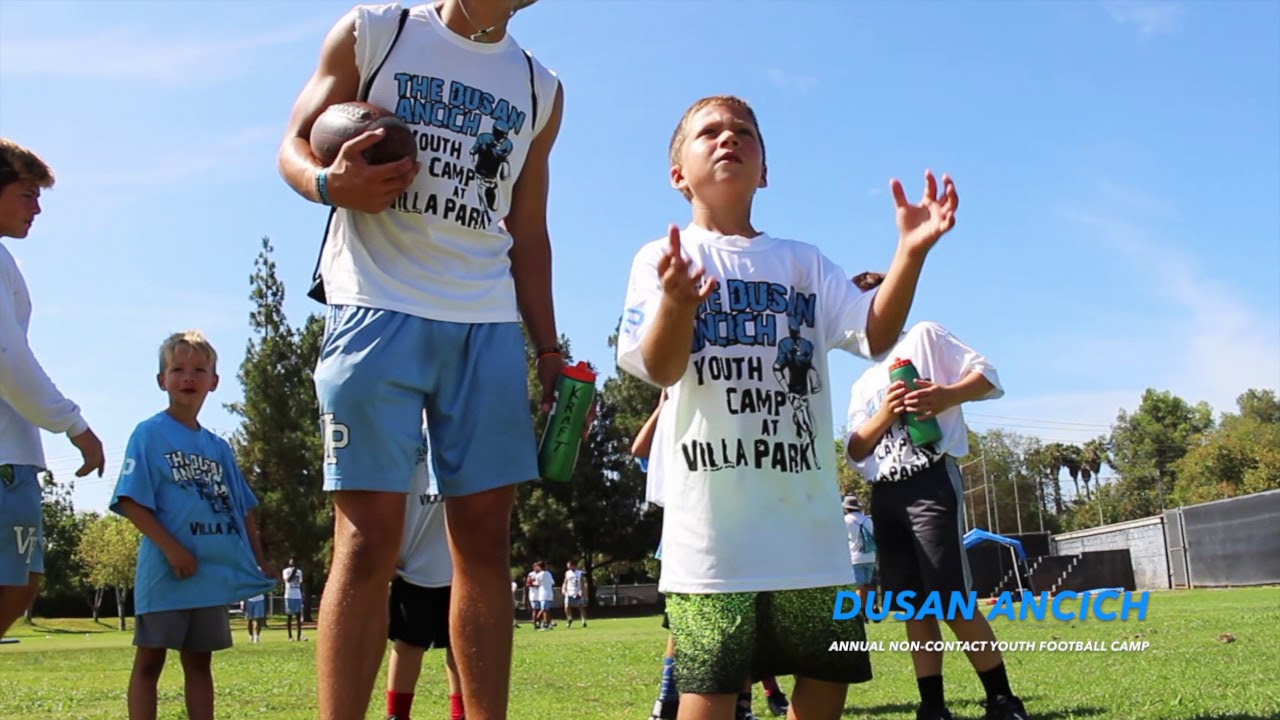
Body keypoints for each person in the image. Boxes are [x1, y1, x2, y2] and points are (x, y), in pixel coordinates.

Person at [617, 94, 959, 720]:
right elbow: (661, 368)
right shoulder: (661, 259)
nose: (728, 140)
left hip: (810, 533)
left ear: (765, 171)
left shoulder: (802, 261)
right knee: (710, 692)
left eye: (743, 132)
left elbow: (875, 335)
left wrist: (909, 252)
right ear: (677, 174)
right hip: (711, 537)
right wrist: (675, 302)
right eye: (710, 132)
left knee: (828, 679)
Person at [276, 1, 564, 715]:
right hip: (375, 309)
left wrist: (549, 345)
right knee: (367, 545)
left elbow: (528, 229)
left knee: (485, 547)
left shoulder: (540, 87)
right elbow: (291, 144)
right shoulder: (376, 31)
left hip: (487, 322)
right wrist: (325, 184)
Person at [845, 313, 1030, 720]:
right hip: (885, 492)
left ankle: (1003, 700)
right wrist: (887, 412)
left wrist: (945, 396)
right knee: (913, 605)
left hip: (930, 479)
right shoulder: (862, 383)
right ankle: (932, 707)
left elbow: (987, 377)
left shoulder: (924, 337)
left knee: (951, 601)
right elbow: (856, 450)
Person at [109, 331, 275, 720]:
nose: (188, 377)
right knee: (150, 662)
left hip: (208, 577)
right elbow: (130, 501)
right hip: (166, 575)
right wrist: (171, 548)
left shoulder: (218, 447)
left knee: (199, 663)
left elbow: (243, 509)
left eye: (199, 370)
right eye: (177, 369)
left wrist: (258, 560)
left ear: (214, 381)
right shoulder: (149, 433)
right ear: (161, 380)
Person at [0, 138, 105, 636]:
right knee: (15, 584)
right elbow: (7, 359)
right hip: (3, 459)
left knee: (23, 580)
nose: (37, 207)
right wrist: (74, 424)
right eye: (26, 194)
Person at [633, 392, 790, 720]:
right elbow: (640, 450)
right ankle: (667, 701)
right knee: (685, 625)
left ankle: (743, 704)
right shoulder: (681, 428)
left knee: (743, 621)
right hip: (691, 538)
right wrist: (665, 404)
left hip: (744, 532)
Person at [386, 415, 463, 720]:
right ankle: (397, 715)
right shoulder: (403, 427)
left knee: (459, 645)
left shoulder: (463, 421)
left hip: (460, 563)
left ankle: (461, 714)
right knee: (408, 644)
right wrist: (389, 545)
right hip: (413, 561)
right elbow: (389, 490)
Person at [841, 496, 876, 614]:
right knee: (867, 585)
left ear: (846, 508)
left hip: (855, 557)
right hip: (870, 556)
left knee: (858, 586)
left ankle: (861, 611)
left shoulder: (845, 520)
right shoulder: (868, 520)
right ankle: (870, 608)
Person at [282, 557, 305, 641]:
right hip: (289, 596)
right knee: (289, 617)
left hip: (297, 596)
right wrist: (293, 572)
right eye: (291, 562)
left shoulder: (300, 572)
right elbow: (287, 580)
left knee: (298, 617)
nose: (293, 564)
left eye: (294, 562)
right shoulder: (286, 571)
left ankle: (299, 636)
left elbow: (300, 583)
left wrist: (302, 595)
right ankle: (290, 636)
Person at [561, 560, 586, 627]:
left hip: (577, 591)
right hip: (569, 592)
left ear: (573, 565)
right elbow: (565, 582)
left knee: (581, 607)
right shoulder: (567, 573)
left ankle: (583, 620)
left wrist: (582, 591)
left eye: (569, 565)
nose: (568, 567)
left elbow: (582, 583)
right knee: (566, 606)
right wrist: (563, 588)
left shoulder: (580, 573)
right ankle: (569, 619)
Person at [531, 561, 554, 630]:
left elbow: (536, 583)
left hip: (543, 594)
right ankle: (548, 624)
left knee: (544, 610)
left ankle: (545, 624)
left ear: (539, 567)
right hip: (550, 594)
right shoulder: (549, 573)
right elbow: (552, 582)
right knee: (546, 610)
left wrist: (532, 582)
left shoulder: (539, 575)